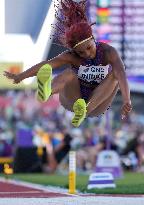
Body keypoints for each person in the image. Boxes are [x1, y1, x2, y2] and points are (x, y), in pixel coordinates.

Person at [4, 0, 132, 127]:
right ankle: (46, 91)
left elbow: (121, 73)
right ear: (75, 51)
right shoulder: (72, 56)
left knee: (115, 74)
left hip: (98, 104)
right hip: (75, 100)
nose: (86, 54)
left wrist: (126, 99)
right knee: (69, 73)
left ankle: (85, 110)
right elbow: (46, 65)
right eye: (81, 53)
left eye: (88, 48)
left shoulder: (108, 52)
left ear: (93, 39)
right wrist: (21, 76)